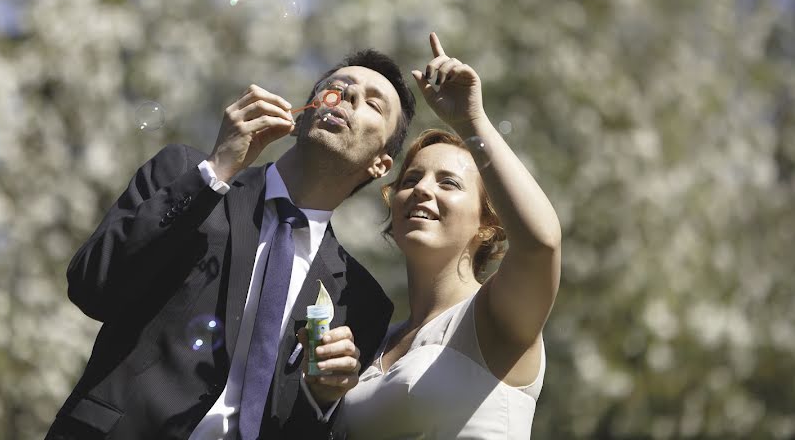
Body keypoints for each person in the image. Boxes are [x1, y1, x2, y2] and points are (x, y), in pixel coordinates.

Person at [45, 49, 416, 440]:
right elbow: (93, 287)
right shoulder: (188, 176)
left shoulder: (360, 302)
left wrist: (323, 398)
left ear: (380, 164)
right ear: (303, 114)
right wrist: (217, 169)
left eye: (373, 103)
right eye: (338, 88)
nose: (349, 97)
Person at [306, 33, 562, 439]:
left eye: (449, 183)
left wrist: (472, 122)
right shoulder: (375, 339)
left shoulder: (496, 316)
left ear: (488, 225)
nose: (423, 189)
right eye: (411, 179)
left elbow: (541, 244)